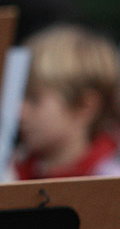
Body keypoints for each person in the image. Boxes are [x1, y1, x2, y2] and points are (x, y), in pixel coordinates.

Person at [8, 23, 120, 180]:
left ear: (84, 106)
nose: (18, 111)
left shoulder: (110, 181)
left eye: (34, 99)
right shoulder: (10, 169)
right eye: (19, 96)